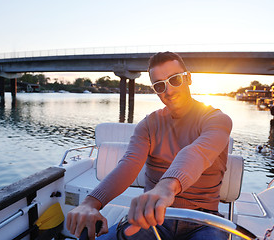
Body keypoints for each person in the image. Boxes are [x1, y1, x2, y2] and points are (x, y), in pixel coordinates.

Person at [66, 51, 232, 240]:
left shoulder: (217, 120)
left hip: (203, 221)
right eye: (159, 85)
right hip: (152, 219)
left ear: (188, 78)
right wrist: (90, 203)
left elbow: (196, 152)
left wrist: (166, 187)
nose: (168, 90)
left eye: (175, 80)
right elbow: (128, 166)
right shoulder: (148, 124)